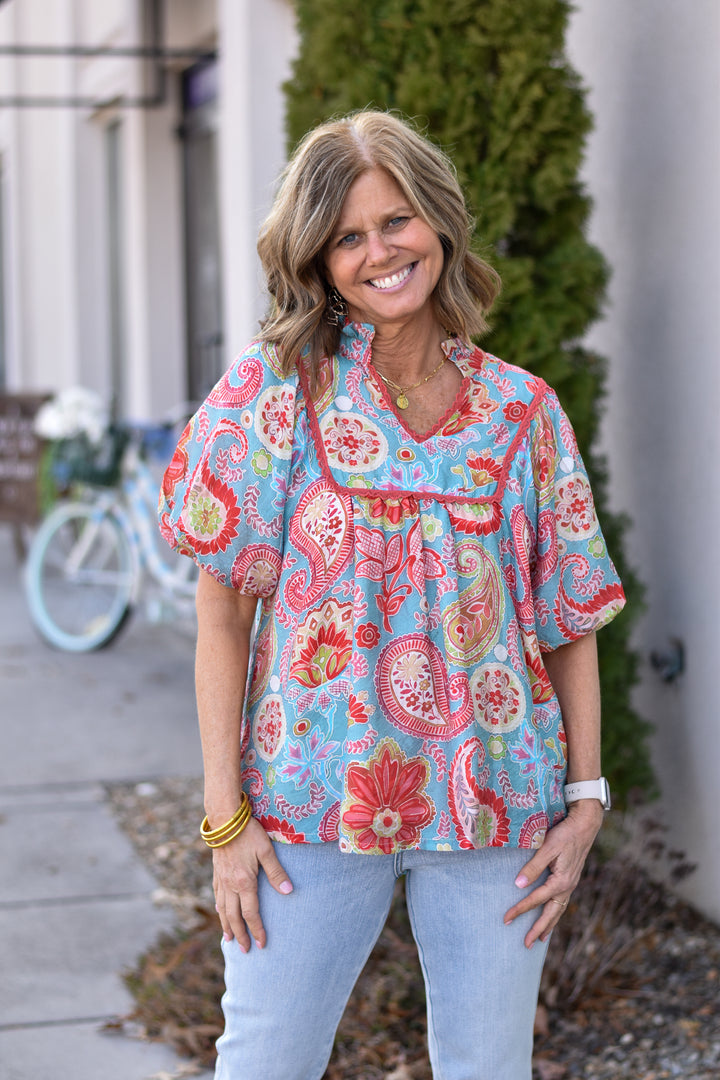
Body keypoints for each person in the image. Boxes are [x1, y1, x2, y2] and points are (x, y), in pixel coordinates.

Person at [159, 109, 625, 1080]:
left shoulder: (522, 411)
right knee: (265, 1064)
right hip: (309, 812)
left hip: (497, 813)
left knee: (488, 1068)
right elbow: (221, 613)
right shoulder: (271, 400)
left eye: (397, 219)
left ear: (440, 224)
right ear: (318, 259)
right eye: (348, 235)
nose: (380, 251)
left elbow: (568, 616)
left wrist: (583, 800)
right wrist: (225, 825)